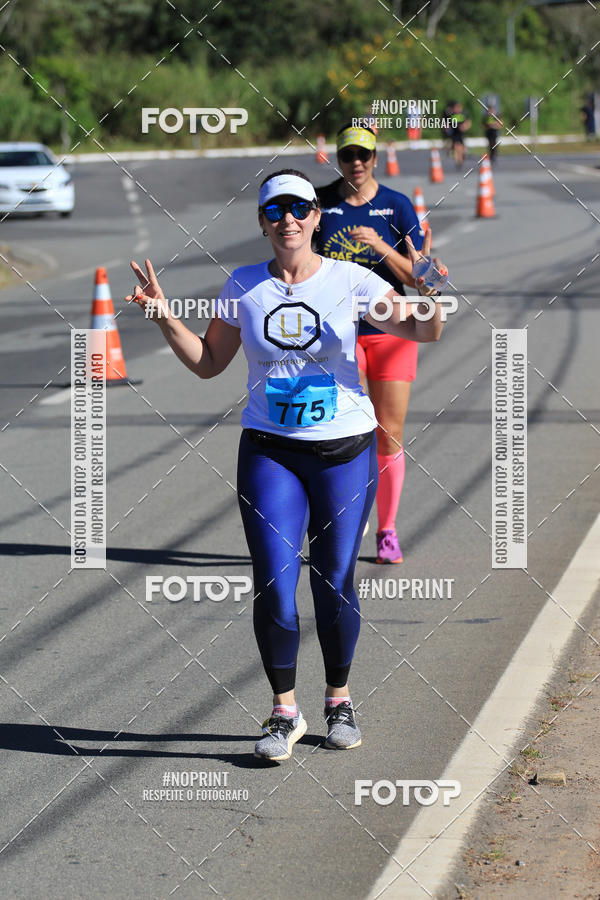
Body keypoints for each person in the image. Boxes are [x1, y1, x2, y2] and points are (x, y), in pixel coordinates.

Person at [126, 169, 445, 762]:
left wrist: (426, 286)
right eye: (276, 211)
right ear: (263, 223)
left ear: (316, 217)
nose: (289, 219)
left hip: (345, 452)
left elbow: (423, 330)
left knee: (333, 578)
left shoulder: (351, 280)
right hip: (270, 451)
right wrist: (163, 315)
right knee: (273, 582)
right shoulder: (243, 285)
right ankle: (283, 710)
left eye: (300, 208)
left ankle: (339, 700)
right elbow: (207, 362)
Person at [315, 123, 437, 564]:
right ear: (339, 159)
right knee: (341, 431)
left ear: (375, 159)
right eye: (348, 156)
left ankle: (386, 530)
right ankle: (345, 517)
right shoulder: (320, 204)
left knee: (388, 434)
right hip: (337, 334)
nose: (357, 164)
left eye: (364, 156)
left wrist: (381, 245)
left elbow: (418, 277)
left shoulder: (396, 205)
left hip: (391, 332)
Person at [450, 102, 471, 168]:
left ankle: (461, 157)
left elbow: (468, 122)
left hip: (461, 133)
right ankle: (458, 161)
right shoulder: (452, 115)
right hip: (454, 133)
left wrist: (465, 127)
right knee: (456, 147)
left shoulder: (463, 114)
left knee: (461, 148)